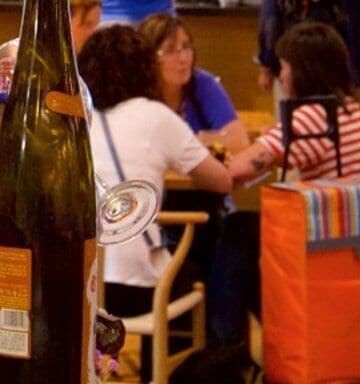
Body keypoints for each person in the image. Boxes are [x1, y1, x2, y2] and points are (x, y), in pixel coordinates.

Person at [79, 21, 272, 322]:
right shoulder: (156, 116)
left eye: (185, 47)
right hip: (141, 292)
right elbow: (221, 182)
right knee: (213, 255)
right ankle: (204, 358)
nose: (182, 57)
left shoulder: (78, 120)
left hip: (84, 285)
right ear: (146, 66)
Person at [254, 20, 360, 182]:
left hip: (345, 207)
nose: (281, 76)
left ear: (302, 73)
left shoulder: (314, 117)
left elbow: (236, 172)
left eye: (284, 67)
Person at [137, 12, 247, 154]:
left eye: (186, 46)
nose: (183, 58)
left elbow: (240, 142)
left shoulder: (203, 83)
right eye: (170, 50)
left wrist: (201, 140)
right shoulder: (135, 92)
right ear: (149, 57)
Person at [0, 0, 101, 93]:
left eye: (96, 25)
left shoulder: (89, 62)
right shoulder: (24, 64)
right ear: (61, 22)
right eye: (88, 24)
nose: (94, 32)